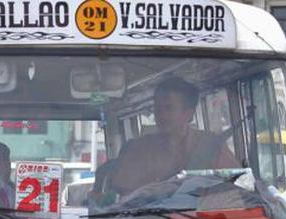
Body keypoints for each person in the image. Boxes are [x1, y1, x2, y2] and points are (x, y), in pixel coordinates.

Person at [100, 77, 239, 198]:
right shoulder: (137, 149)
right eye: (157, 108)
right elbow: (120, 198)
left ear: (188, 113)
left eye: (168, 108)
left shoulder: (211, 146)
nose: (161, 115)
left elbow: (237, 191)